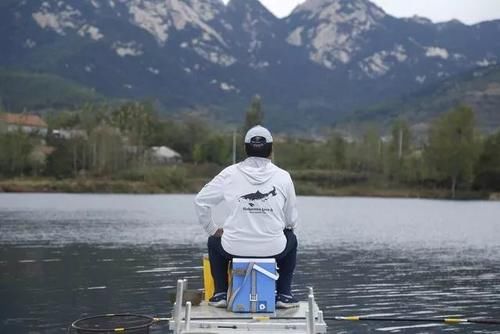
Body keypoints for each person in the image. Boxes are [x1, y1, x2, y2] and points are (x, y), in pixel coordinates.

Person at [194, 125, 299, 309]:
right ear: (271, 150)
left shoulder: (229, 174)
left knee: (213, 240)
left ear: (245, 149)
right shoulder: (284, 177)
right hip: (274, 249)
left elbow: (201, 201)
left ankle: (220, 294)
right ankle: (284, 295)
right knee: (291, 238)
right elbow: (291, 220)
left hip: (233, 248)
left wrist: (212, 228)